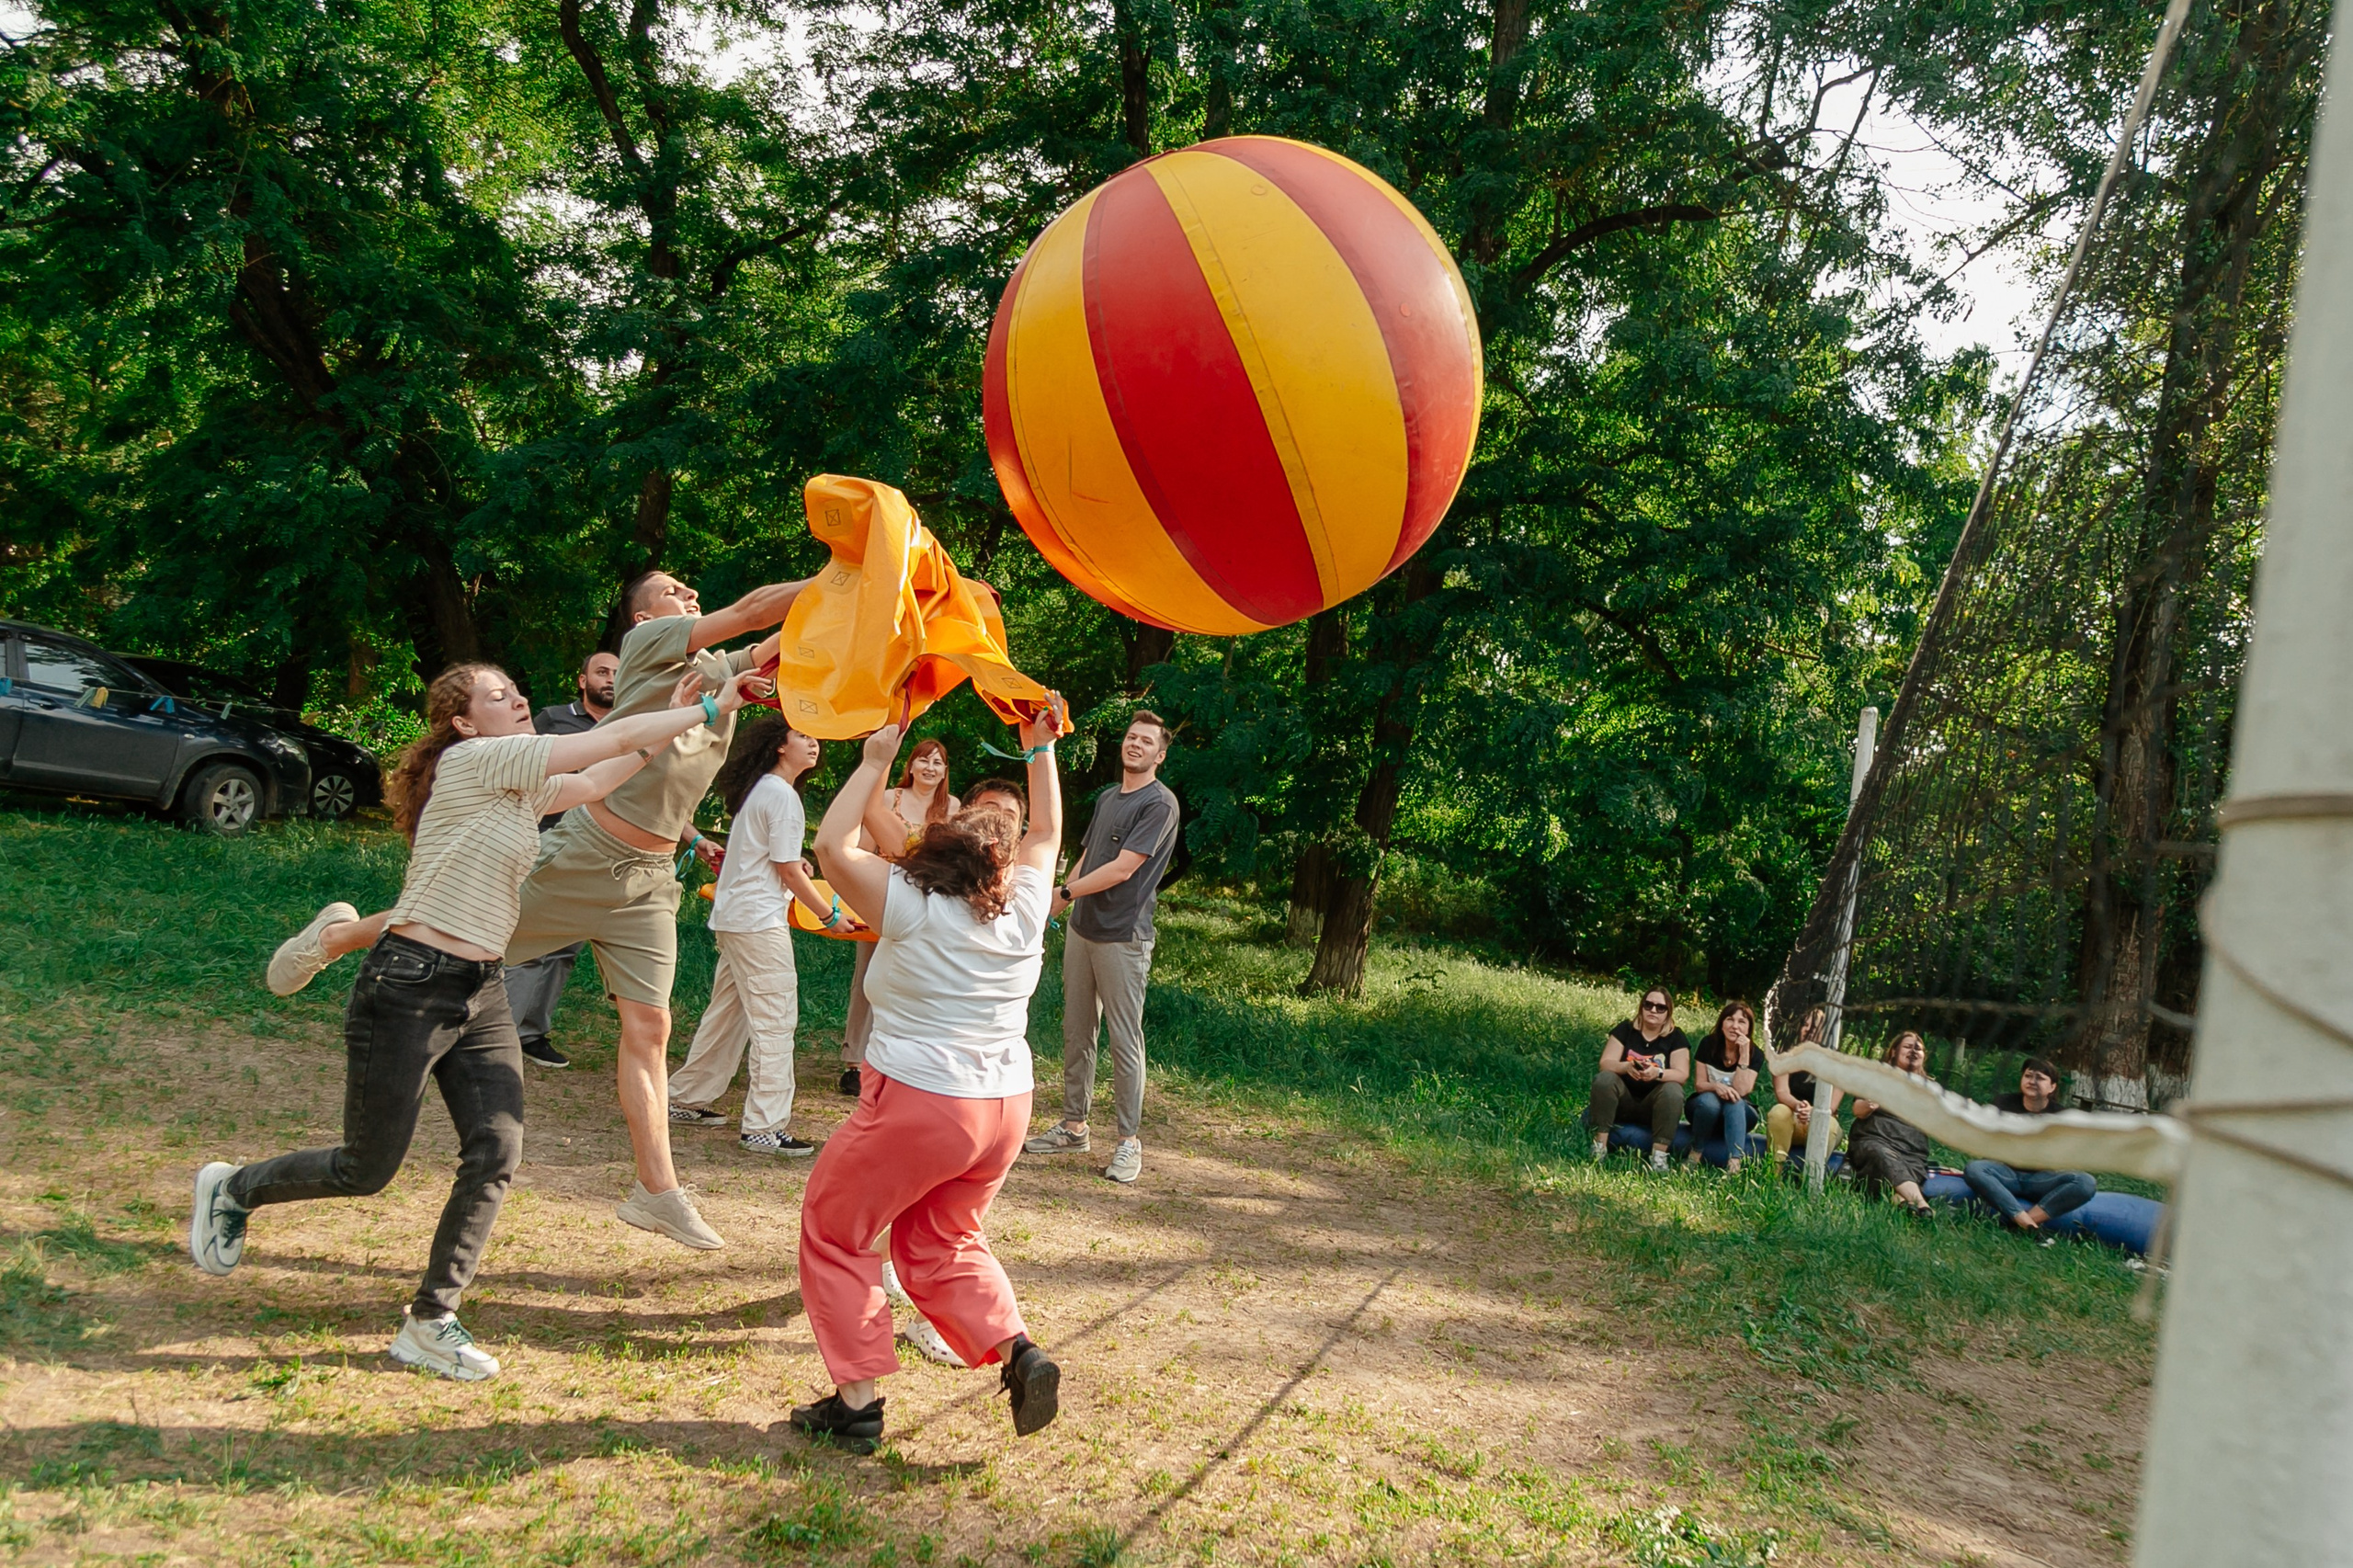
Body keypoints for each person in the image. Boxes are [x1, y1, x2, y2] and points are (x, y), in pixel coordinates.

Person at [197, 661, 756, 1380]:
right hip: (408, 984)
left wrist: (681, 717)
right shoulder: (476, 760)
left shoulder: (518, 785)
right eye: (498, 696)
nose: (519, 698)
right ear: (463, 723)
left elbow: (597, 778)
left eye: (518, 689)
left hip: (482, 986)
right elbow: (591, 749)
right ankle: (235, 1187)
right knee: (366, 1168)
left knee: (496, 1151)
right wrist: (710, 704)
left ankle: (431, 1321)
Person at [503, 568, 810, 1252]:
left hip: (645, 881)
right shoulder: (648, 647)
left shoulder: (710, 670)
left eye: (691, 592)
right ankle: (351, 938)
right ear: (644, 620)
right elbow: (756, 608)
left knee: (649, 1029)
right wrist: (852, 563)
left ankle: (656, 1192)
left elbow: (787, 639)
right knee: (457, 935)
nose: (691, 596)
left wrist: (899, 596)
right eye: (675, 592)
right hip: (584, 856)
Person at [790, 704, 1068, 1450]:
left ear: (935, 849)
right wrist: (1039, 749)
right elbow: (1045, 835)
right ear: (1001, 864)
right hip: (1006, 1104)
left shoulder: (907, 902)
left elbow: (828, 841)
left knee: (836, 1230)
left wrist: (878, 754)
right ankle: (1020, 1353)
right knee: (943, 1241)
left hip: (924, 1099)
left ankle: (856, 1406)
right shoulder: (1026, 907)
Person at [667, 715, 849, 1156]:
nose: (814, 744)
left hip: (736, 918)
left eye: (815, 736)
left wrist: (795, 871)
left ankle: (684, 1099)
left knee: (727, 1014)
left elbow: (778, 863)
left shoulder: (765, 790)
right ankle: (765, 1126)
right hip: (756, 924)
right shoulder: (781, 795)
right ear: (779, 746)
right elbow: (786, 867)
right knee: (775, 1021)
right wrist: (828, 916)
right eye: (803, 736)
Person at [1026, 711, 1181, 1186]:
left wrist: (1065, 896)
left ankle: (1128, 1141)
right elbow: (1089, 858)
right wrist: (1051, 899)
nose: (1135, 744)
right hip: (1082, 928)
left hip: (1123, 936)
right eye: (1131, 737)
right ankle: (1074, 1127)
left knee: (1123, 1039)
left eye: (1146, 741)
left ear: (1160, 754)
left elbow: (1122, 869)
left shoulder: (1160, 803)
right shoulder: (1109, 798)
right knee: (1077, 1030)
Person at [506, 649, 622, 1070]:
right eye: (601, 671)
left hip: (595, 851)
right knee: (527, 943)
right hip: (543, 841)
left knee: (563, 950)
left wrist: (694, 837)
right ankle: (497, 1035)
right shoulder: (554, 719)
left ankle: (531, 1034)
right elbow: (523, 767)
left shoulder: (627, 727)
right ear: (582, 679)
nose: (609, 678)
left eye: (616, 673)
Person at [839, 738, 961, 1096]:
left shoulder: (951, 806)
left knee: (919, 981)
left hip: (932, 904)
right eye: (924, 761)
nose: (930, 768)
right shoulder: (889, 798)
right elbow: (863, 847)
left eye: (938, 763)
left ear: (945, 772)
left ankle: (905, 1060)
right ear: (910, 766)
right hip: (886, 896)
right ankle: (854, 1060)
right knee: (869, 975)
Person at [1964, 1057, 2097, 1232]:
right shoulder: (2003, 1103)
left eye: (2040, 1078)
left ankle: (2020, 1223)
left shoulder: (2062, 1116)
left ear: (2052, 1087)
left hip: (2041, 1179)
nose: (2032, 1081)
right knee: (1975, 1169)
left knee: (2086, 1182)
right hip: (2006, 1173)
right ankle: (2025, 1224)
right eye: (2028, 1076)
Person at [1584, 985, 1691, 1172]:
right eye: (1648, 1005)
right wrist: (1625, 1067)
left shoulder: (1676, 1037)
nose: (1653, 1011)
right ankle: (1599, 1148)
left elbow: (1682, 1074)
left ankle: (1659, 1157)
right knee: (1605, 1079)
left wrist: (1657, 1073)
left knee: (1673, 1089)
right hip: (1622, 1101)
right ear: (1641, 1007)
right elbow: (1605, 1063)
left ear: (1668, 1013)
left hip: (1654, 1106)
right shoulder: (1625, 1029)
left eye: (1660, 1008)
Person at [1847, 1030, 1937, 1216]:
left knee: (1895, 1173)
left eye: (1918, 1048)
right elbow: (1857, 1110)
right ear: (1894, 1052)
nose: (1913, 1050)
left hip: (1912, 1151)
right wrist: (1869, 1104)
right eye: (1907, 1046)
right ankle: (1922, 1205)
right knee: (1882, 1156)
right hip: (1874, 1140)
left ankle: (1903, 1203)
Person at [1685, 1000, 1759, 1175]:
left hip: (1739, 1114)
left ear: (1748, 1028)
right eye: (1729, 1020)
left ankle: (1734, 1165)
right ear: (1722, 1024)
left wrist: (1744, 1056)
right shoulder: (1708, 1044)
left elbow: (1742, 1091)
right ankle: (1695, 1154)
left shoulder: (1755, 1054)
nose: (1735, 1026)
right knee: (1710, 1101)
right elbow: (1700, 1084)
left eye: (1742, 1022)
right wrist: (1717, 1087)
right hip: (1705, 1109)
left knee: (1735, 1102)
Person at [1767, 1004, 1847, 1164]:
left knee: (1828, 1124)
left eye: (1814, 1026)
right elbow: (1782, 1092)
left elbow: (1832, 1106)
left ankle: (1812, 1178)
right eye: (1805, 1025)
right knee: (1778, 1112)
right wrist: (1798, 1106)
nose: (1807, 1030)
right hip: (1792, 1119)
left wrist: (1814, 1111)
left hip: (1822, 1119)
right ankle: (1774, 1172)